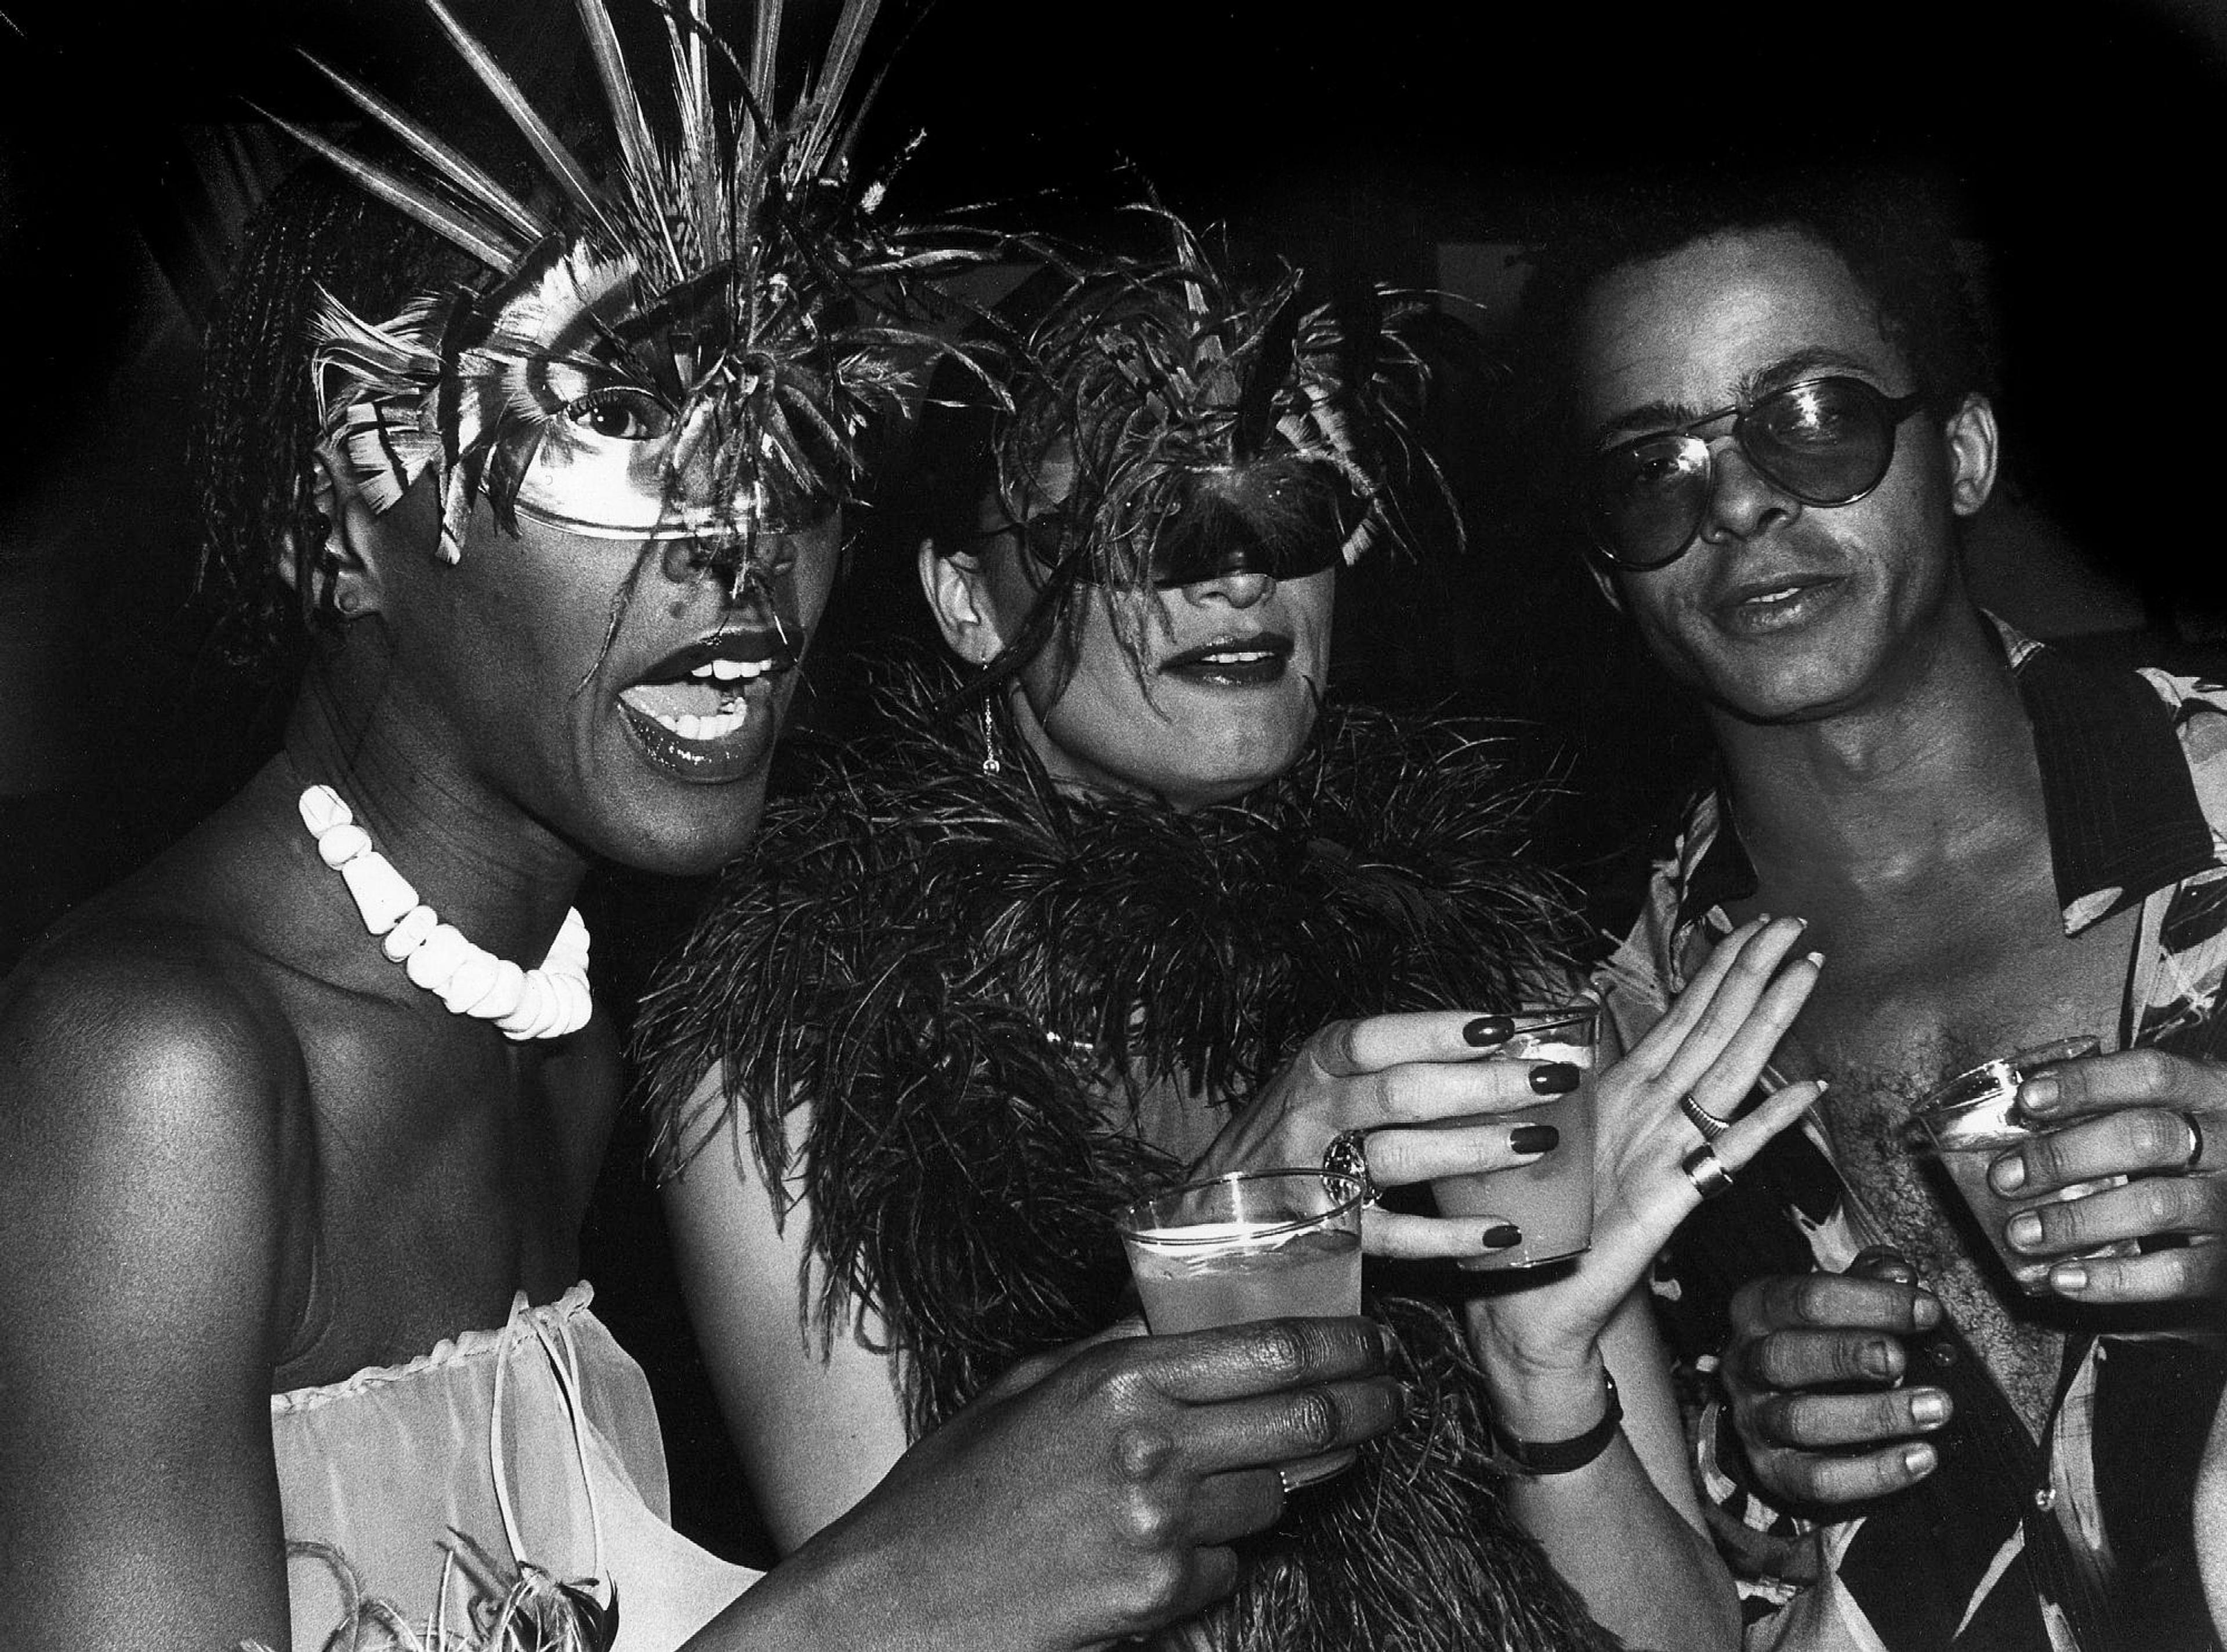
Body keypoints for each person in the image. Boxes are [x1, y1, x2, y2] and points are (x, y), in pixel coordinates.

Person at [0, 8, 1415, 1650]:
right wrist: (875, 1606)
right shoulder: (153, 1072)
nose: (747, 543)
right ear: (359, 492)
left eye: (798, 424)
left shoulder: (560, 1037)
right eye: (622, 405)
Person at [633, 221, 1829, 1652]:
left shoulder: (1476, 973)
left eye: (1286, 500)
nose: (1240, 575)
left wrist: (1543, 1369)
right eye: (1147, 514)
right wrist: (1227, 1224)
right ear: (966, 599)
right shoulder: (803, 1053)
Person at [1520, 171, 2227, 1650]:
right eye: (1654, 466)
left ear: (1960, 452)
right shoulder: (1598, 1038)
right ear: (1607, 575)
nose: (1736, 499)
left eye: (1814, 419)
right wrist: (1742, 1459)